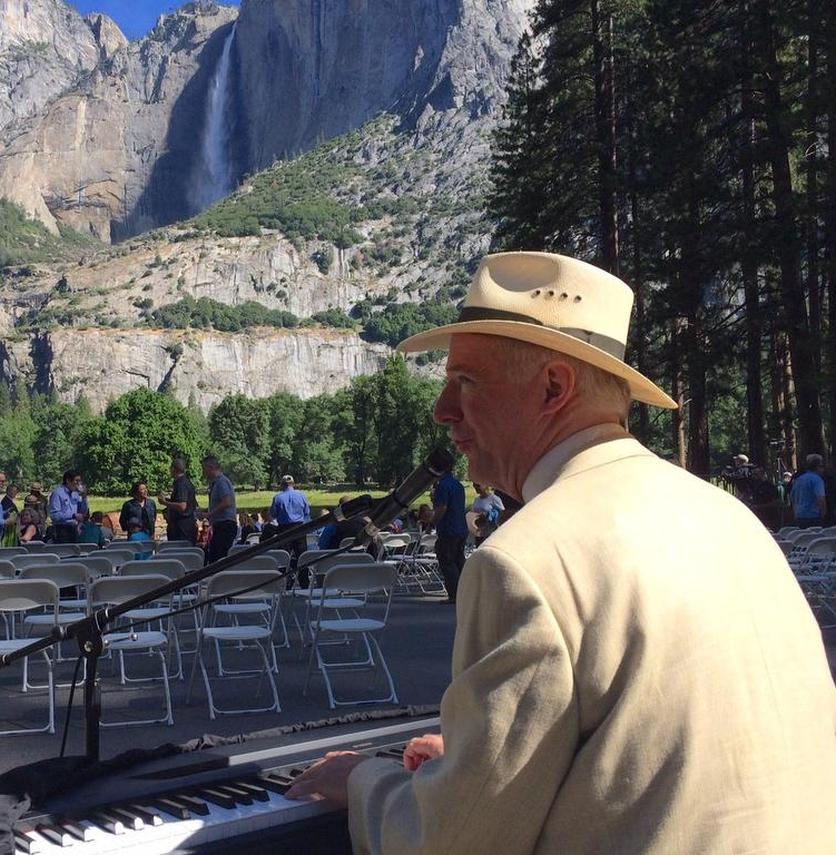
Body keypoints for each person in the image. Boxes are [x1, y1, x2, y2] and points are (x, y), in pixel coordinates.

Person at [286, 251, 836, 851]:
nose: (443, 411)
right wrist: (483, 765)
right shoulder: (730, 519)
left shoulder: (523, 560)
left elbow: (450, 845)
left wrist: (361, 778)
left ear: (553, 387)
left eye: (465, 382)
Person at [430, 458, 468, 604]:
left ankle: (454, 595)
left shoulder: (442, 486)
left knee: (447, 562)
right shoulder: (458, 485)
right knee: (459, 560)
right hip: (461, 527)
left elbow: (442, 508)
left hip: (448, 529)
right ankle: (466, 592)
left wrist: (433, 522)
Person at [201, 455, 237, 562]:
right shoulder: (215, 483)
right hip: (220, 525)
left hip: (225, 525)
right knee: (214, 556)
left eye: (205, 469)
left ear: (211, 467)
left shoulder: (221, 482)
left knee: (218, 559)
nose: (204, 473)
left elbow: (227, 502)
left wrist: (209, 514)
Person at [159, 457, 198, 543]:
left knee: (179, 552)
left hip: (182, 528)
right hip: (187, 526)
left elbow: (182, 506)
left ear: (173, 469)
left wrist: (164, 502)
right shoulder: (187, 482)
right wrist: (169, 500)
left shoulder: (181, 484)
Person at [48, 470, 88, 543]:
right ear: (68, 480)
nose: (78, 484)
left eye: (80, 481)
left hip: (76, 529)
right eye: (76, 481)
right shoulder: (58, 493)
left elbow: (83, 511)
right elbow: (54, 515)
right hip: (62, 530)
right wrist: (72, 515)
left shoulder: (76, 493)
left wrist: (84, 497)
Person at [790, 453, 827, 528]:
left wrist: (795, 513)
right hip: (814, 518)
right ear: (817, 467)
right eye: (822, 466)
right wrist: (823, 514)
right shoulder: (817, 480)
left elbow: (792, 498)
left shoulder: (798, 480)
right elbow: (821, 499)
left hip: (799, 517)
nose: (823, 469)